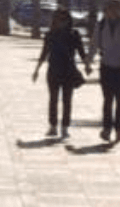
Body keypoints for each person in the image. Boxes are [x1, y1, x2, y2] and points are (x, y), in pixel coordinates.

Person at [31, 8, 90, 138]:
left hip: (68, 70)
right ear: (54, 20)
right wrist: (37, 70)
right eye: (59, 19)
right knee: (53, 99)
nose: (62, 22)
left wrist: (87, 65)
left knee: (67, 100)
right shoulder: (50, 34)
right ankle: (53, 126)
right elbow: (44, 52)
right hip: (53, 71)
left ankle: (64, 127)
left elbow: (81, 52)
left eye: (64, 19)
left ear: (69, 20)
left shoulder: (74, 34)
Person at [92, 0, 120, 142]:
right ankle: (106, 128)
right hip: (106, 66)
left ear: (118, 9)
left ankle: (119, 129)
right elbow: (94, 44)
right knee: (107, 100)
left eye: (113, 8)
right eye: (107, 8)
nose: (109, 11)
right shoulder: (101, 25)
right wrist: (88, 60)